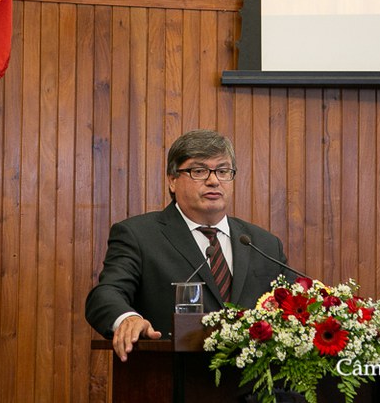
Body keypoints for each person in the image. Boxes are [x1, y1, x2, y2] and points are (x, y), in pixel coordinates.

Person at [85, 129, 295, 361]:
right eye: (199, 171)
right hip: (170, 374)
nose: (214, 181)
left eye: (223, 171)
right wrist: (127, 318)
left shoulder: (264, 244)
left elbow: (297, 304)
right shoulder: (138, 235)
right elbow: (105, 294)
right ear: (172, 180)